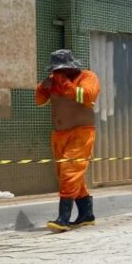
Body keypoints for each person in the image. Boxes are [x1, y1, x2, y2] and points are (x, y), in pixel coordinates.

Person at [34, 50, 101, 231]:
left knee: (69, 172)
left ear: (72, 66)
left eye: (62, 70)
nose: (58, 73)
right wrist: (43, 87)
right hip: (59, 135)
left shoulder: (88, 77)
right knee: (67, 174)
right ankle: (86, 214)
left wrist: (64, 82)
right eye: (56, 70)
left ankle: (63, 219)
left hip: (81, 134)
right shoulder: (54, 80)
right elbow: (39, 101)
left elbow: (86, 96)